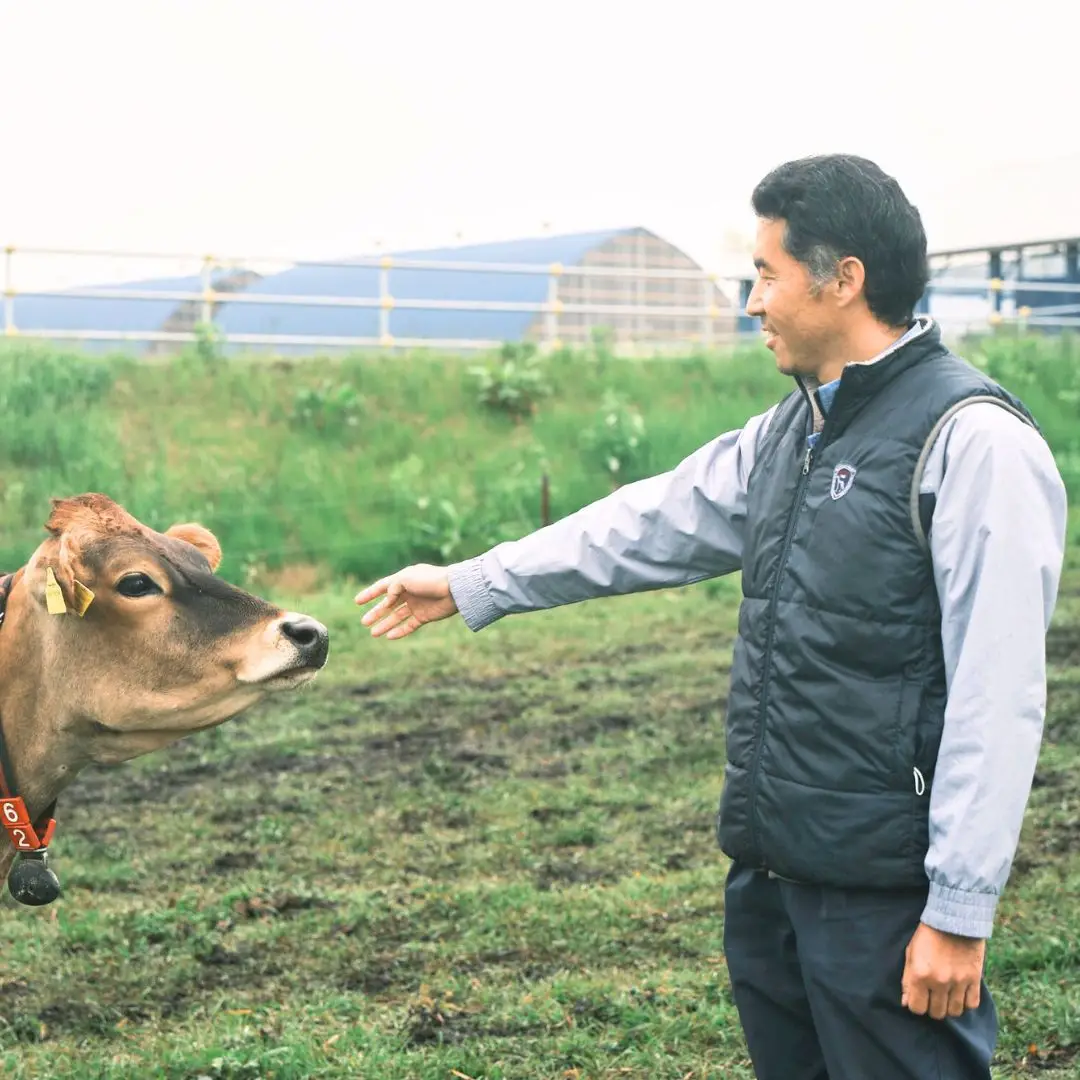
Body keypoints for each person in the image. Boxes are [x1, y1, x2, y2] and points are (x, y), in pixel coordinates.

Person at [354, 153, 1069, 1079]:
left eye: (767, 273)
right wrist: (473, 582)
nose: (751, 301)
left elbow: (998, 694)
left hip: (886, 898)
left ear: (842, 279)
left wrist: (958, 912)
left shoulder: (974, 443)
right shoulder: (792, 431)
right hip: (772, 877)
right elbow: (644, 523)